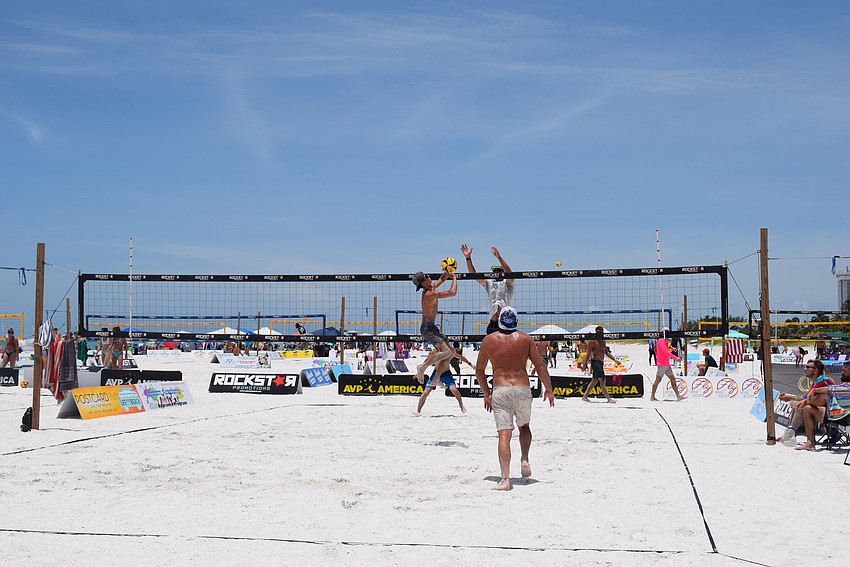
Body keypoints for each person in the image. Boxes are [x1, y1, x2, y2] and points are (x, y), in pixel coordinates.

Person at [475, 307, 554, 491]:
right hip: (522, 388)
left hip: (501, 389)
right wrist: (549, 390)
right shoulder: (525, 339)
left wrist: (486, 393)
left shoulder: (489, 340)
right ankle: (524, 459)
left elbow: (479, 370)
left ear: (499, 321)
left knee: (504, 434)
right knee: (524, 426)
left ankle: (504, 479)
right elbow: (540, 367)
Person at [412, 269, 457, 384]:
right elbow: (452, 292)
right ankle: (423, 367)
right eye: (426, 276)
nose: (429, 276)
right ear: (423, 283)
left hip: (432, 327)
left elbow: (441, 279)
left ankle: (436, 378)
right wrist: (454, 278)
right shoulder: (429, 294)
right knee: (446, 352)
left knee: (452, 351)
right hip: (427, 329)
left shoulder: (431, 287)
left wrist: (447, 273)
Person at [460, 244, 514, 334]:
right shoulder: (490, 283)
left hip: (505, 321)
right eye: (494, 271)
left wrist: (499, 257)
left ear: (502, 272)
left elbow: (510, 274)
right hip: (493, 323)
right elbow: (474, 276)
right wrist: (468, 258)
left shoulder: (507, 283)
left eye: (498, 271)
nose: (495, 272)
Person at [791, 359, 837, 451]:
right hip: (833, 412)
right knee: (800, 404)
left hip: (834, 415)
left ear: (815, 370)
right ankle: (791, 434)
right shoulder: (817, 381)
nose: (805, 369)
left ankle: (793, 435)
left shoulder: (822, 381)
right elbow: (805, 397)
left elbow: (809, 399)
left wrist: (801, 401)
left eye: (808, 367)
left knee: (803, 407)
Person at [581, 326, 617, 404]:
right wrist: (585, 363)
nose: (599, 333)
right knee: (602, 380)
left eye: (601, 331)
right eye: (598, 331)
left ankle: (584, 397)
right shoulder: (593, 341)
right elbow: (588, 353)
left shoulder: (603, 341)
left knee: (594, 381)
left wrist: (615, 360)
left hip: (600, 362)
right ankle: (608, 398)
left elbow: (607, 353)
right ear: (596, 332)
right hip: (596, 362)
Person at [651, 334, 685, 401]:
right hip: (662, 364)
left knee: (673, 379)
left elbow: (667, 349)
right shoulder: (661, 341)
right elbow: (666, 352)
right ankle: (652, 396)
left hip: (666, 363)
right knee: (658, 380)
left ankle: (678, 396)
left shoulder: (664, 341)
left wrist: (672, 349)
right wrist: (676, 358)